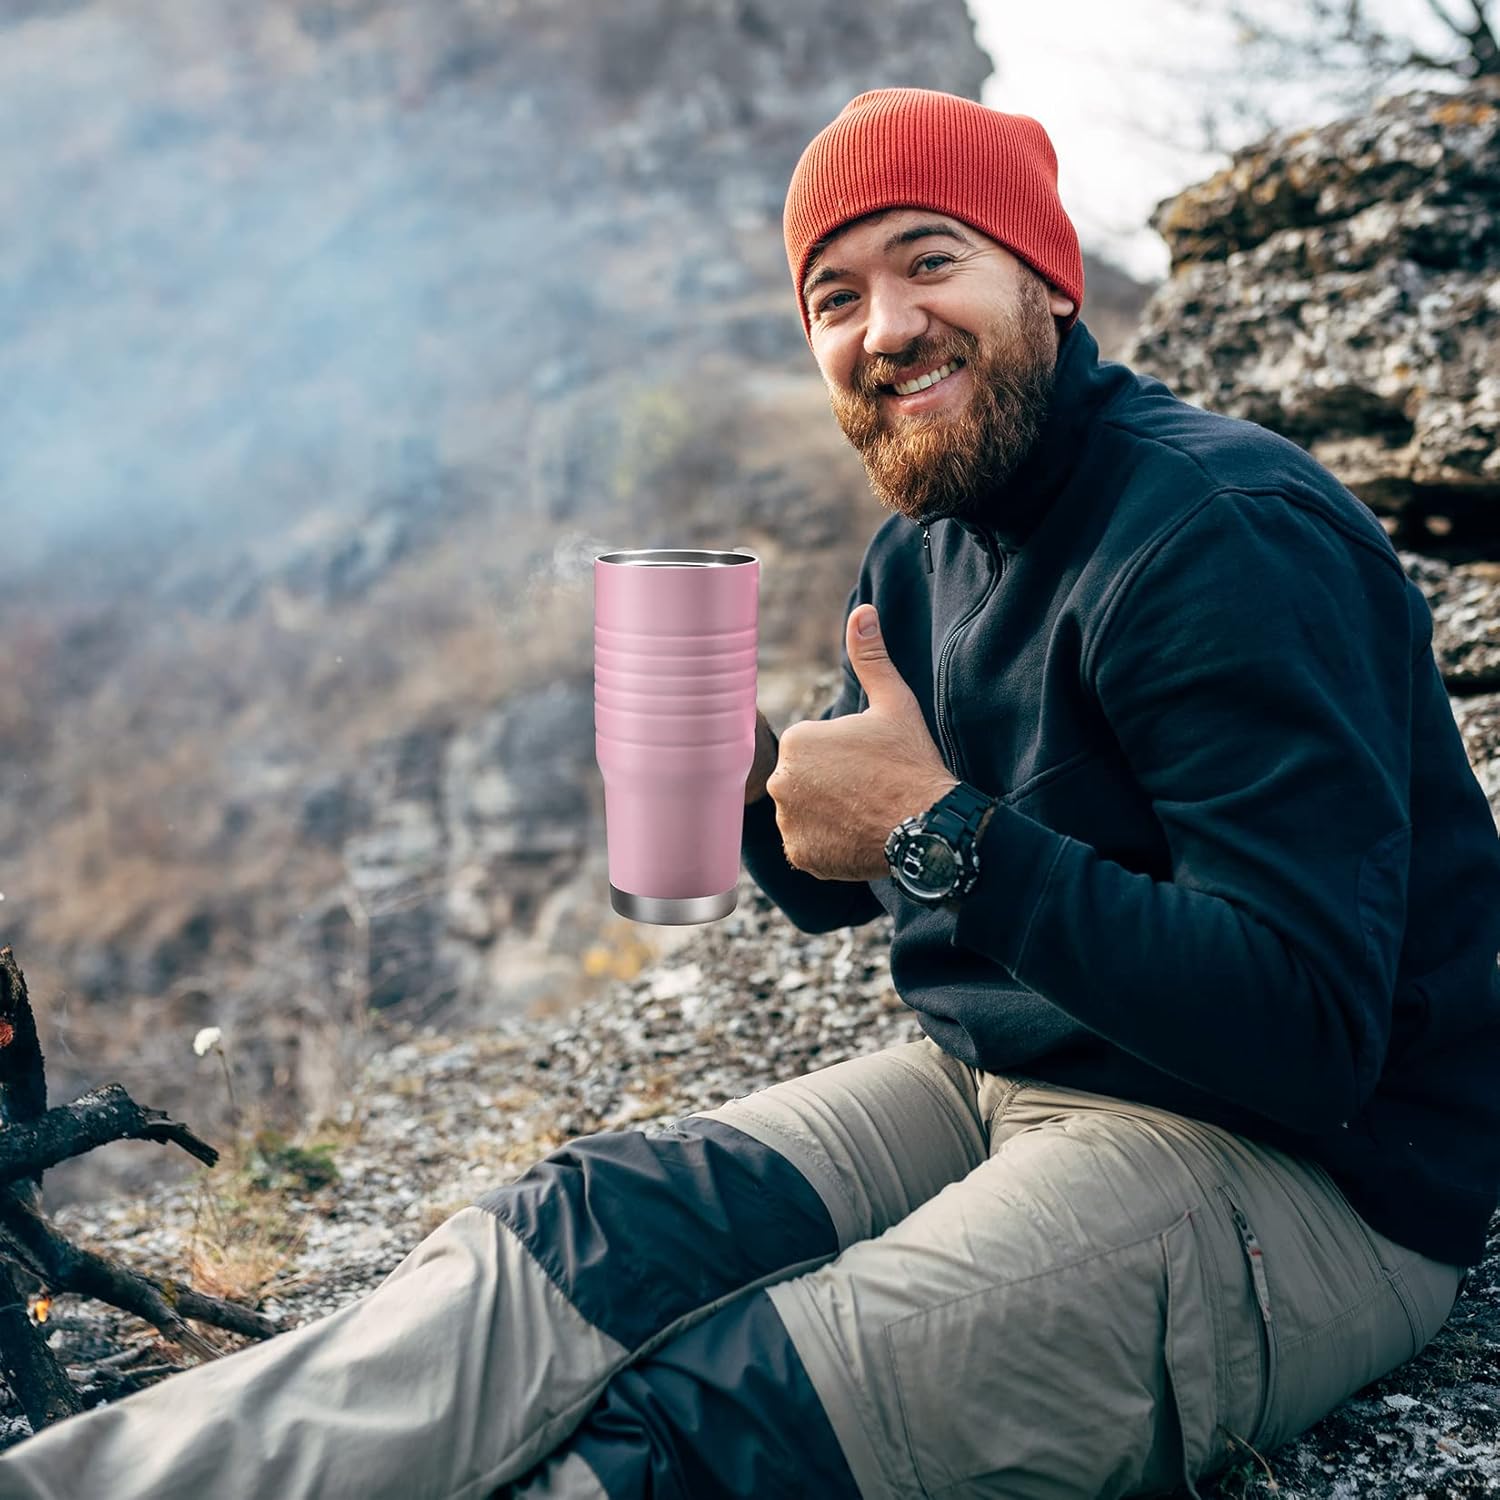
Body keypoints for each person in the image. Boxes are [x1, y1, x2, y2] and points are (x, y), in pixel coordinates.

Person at [3, 85, 1498, 1500]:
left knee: (699, 1426)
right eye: (835, 298)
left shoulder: (1219, 533)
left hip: (1309, 1173)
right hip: (1001, 1080)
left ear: (1048, 278)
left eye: (931, 262)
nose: (885, 327)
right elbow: (840, 850)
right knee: (564, 1246)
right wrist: (725, 768)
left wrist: (939, 833)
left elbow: (1310, 1032)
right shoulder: (927, 545)